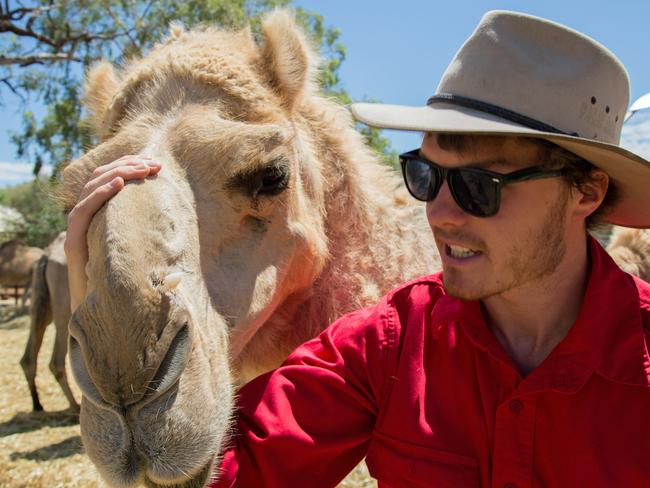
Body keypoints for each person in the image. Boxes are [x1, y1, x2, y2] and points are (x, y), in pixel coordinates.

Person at [65, 10, 650, 488]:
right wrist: (98, 297)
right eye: (425, 176)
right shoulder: (384, 350)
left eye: (481, 187)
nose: (439, 215)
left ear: (586, 192)